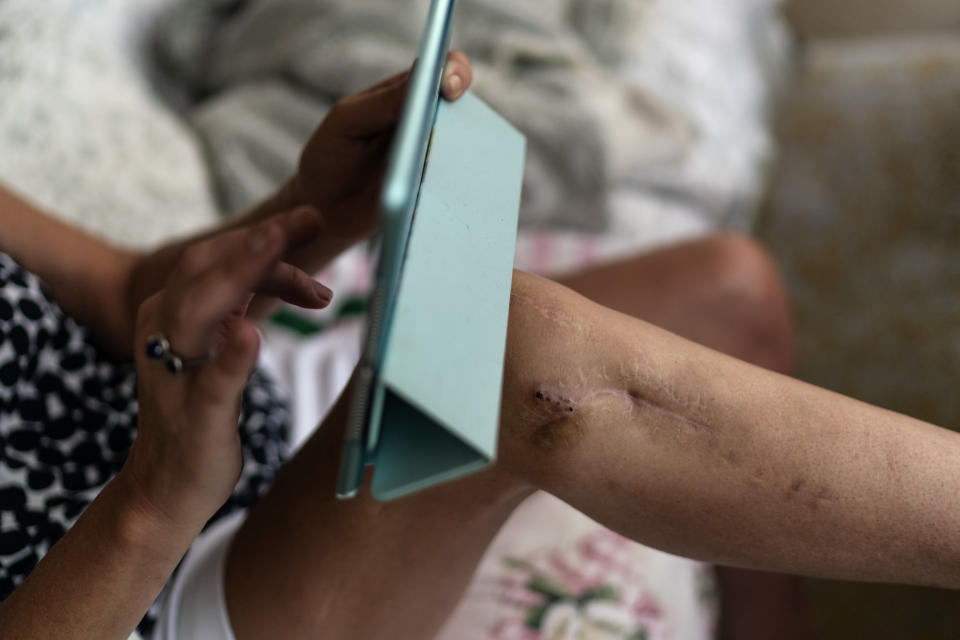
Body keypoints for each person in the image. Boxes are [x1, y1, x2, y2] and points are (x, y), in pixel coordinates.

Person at [1, 51, 959, 640]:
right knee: (524, 370)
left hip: (204, 414)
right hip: (129, 587)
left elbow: (122, 288)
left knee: (727, 290)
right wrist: (152, 505)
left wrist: (312, 210)